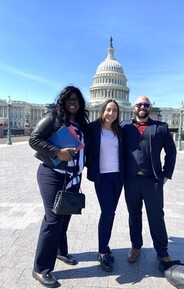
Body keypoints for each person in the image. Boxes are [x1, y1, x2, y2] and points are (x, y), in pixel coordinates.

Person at [29, 85, 89, 288]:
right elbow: (34, 139)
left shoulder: (81, 123)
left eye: (76, 99)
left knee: (64, 217)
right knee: (53, 219)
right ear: (62, 101)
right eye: (68, 99)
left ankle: (61, 252)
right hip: (51, 175)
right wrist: (57, 152)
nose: (73, 102)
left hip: (72, 177)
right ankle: (41, 268)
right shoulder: (54, 117)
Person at [122, 96, 177, 264]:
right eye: (139, 104)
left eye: (145, 105)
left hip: (152, 180)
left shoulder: (160, 128)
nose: (142, 107)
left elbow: (171, 152)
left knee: (156, 216)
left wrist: (166, 175)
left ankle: (162, 251)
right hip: (130, 180)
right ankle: (136, 246)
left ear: (150, 108)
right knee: (134, 215)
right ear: (134, 108)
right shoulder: (124, 126)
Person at [85, 99, 124, 272]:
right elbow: (82, 147)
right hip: (102, 178)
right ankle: (102, 251)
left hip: (118, 176)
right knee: (107, 212)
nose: (111, 113)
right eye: (108, 109)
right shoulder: (93, 128)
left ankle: (105, 246)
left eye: (114, 110)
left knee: (111, 212)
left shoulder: (120, 131)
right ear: (102, 111)